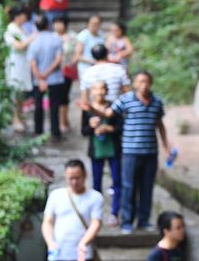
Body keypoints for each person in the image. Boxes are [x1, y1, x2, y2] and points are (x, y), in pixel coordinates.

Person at [93, 71, 168, 233]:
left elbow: (160, 125)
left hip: (150, 152)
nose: (144, 85)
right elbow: (108, 113)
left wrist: (166, 146)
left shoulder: (156, 102)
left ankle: (143, 220)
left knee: (147, 187)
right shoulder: (126, 100)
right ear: (134, 84)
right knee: (129, 187)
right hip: (130, 152)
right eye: (140, 82)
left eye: (147, 82)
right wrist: (91, 108)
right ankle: (127, 221)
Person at [81, 79, 123, 225]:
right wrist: (91, 127)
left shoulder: (114, 107)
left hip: (113, 150)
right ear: (91, 92)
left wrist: (108, 128)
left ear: (106, 91)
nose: (99, 92)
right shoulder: (87, 109)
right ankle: (96, 215)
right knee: (96, 184)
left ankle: (114, 213)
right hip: (96, 151)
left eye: (102, 89)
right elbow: (84, 132)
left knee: (117, 181)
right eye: (96, 89)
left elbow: (120, 128)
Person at [27, 15, 64, 140]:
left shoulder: (33, 41)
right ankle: (55, 132)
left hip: (39, 80)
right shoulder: (56, 39)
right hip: (55, 79)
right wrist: (47, 74)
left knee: (38, 106)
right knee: (54, 107)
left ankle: (38, 131)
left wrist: (41, 77)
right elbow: (58, 60)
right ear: (48, 25)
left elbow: (32, 63)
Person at [3, 5, 36, 132]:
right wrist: (31, 38)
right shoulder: (10, 30)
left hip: (23, 63)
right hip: (15, 63)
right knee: (16, 92)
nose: (26, 17)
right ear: (18, 16)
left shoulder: (22, 29)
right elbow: (19, 46)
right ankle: (15, 118)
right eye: (24, 15)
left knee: (21, 92)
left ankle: (20, 116)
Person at [53, 16, 76, 134]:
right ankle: (63, 122)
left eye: (59, 23)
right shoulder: (52, 36)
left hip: (67, 71)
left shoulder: (72, 36)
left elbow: (76, 52)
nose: (57, 26)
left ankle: (64, 121)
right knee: (60, 97)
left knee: (64, 96)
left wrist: (73, 62)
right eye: (56, 23)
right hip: (54, 71)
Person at [73, 14, 104, 83]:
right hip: (86, 67)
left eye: (97, 23)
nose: (95, 26)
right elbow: (78, 56)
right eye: (93, 23)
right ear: (88, 23)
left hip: (98, 67)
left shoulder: (101, 34)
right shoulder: (83, 35)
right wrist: (93, 61)